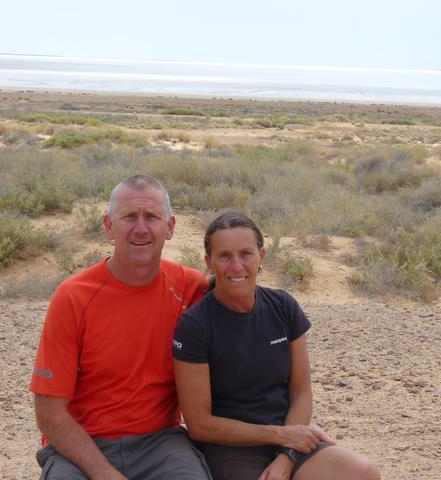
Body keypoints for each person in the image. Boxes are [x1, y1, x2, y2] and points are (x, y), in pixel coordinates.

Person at [173, 211, 381, 480]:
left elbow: (301, 392)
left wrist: (287, 454)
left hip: (289, 438)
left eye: (246, 253)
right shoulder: (195, 325)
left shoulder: (283, 306)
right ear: (209, 261)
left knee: (362, 471)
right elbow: (200, 425)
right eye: (224, 255)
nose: (236, 266)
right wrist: (281, 435)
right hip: (230, 448)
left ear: (262, 256)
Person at [30, 174, 212, 479]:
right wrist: (104, 473)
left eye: (152, 217)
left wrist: (287, 429)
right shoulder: (74, 296)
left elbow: (248, 309)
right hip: (81, 446)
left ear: (170, 228)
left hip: (161, 442)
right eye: (129, 216)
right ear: (108, 226)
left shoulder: (190, 288)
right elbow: (49, 414)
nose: (140, 228)